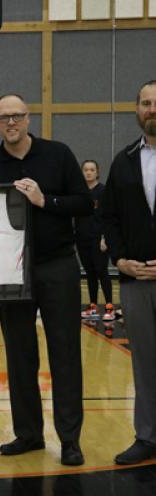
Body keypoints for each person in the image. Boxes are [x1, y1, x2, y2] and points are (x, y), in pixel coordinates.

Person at [0, 94, 93, 466]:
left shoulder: (58, 154)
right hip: (11, 272)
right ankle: (28, 434)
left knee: (66, 355)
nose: (11, 122)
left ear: (28, 119)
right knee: (19, 355)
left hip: (57, 265)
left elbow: (84, 203)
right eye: (3, 117)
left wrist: (46, 201)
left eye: (17, 116)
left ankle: (70, 440)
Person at [103, 80, 156, 465]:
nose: (152, 109)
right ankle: (148, 437)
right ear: (136, 110)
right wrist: (120, 260)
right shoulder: (123, 160)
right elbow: (109, 217)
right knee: (145, 362)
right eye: (146, 103)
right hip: (136, 281)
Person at [75, 160, 114, 321]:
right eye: (86, 170)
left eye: (92, 170)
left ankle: (110, 307)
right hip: (82, 238)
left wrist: (105, 238)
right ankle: (92, 306)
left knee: (101, 271)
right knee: (89, 272)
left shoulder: (104, 191)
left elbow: (109, 216)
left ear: (97, 172)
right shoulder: (79, 192)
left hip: (99, 239)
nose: (89, 172)